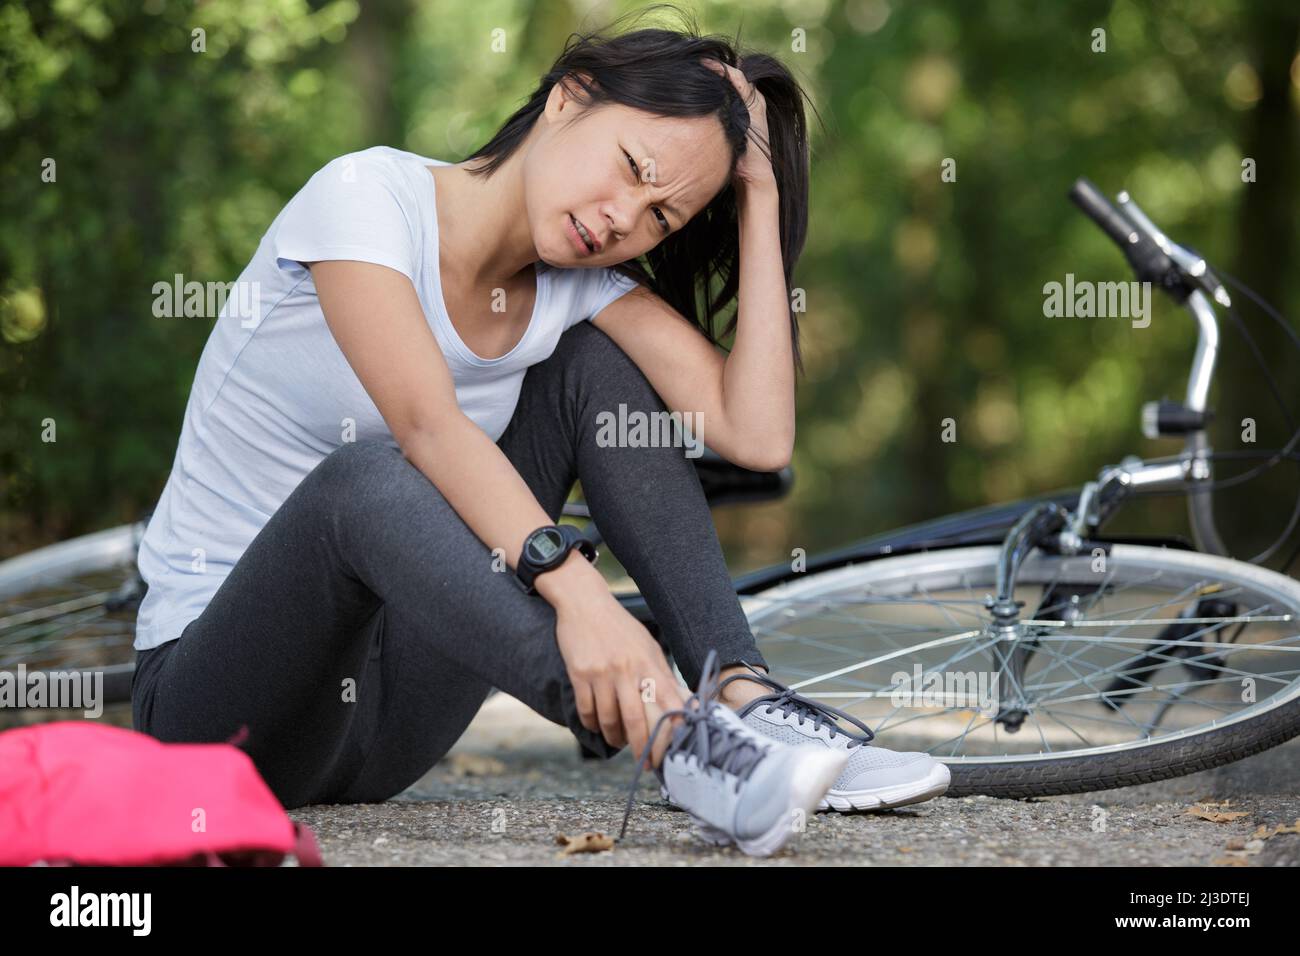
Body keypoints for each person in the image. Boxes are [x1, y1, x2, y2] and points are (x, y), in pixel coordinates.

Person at [130, 13, 947, 858]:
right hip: (220, 716)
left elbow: (758, 433)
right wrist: (587, 601)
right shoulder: (366, 201)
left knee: (591, 365)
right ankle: (681, 743)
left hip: (387, 727)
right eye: (633, 168)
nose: (624, 217)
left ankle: (745, 702)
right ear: (569, 96)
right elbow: (429, 427)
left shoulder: (574, 291)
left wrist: (761, 195)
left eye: (661, 217)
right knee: (363, 480)